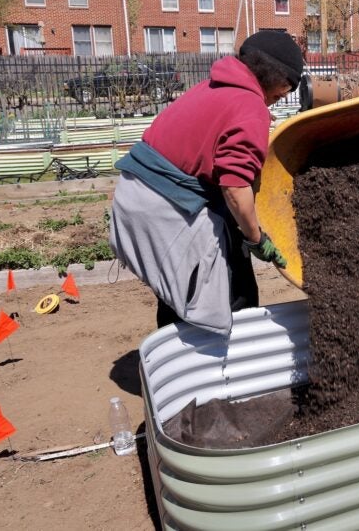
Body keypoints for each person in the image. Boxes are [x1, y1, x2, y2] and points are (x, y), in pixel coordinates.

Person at [109, 31, 302, 335]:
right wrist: (257, 239)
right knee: (228, 293)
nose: (284, 98)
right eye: (283, 91)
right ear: (273, 75)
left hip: (136, 198)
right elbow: (235, 189)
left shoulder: (215, 86)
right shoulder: (250, 107)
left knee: (180, 293)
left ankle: (181, 368)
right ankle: (221, 370)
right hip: (166, 209)